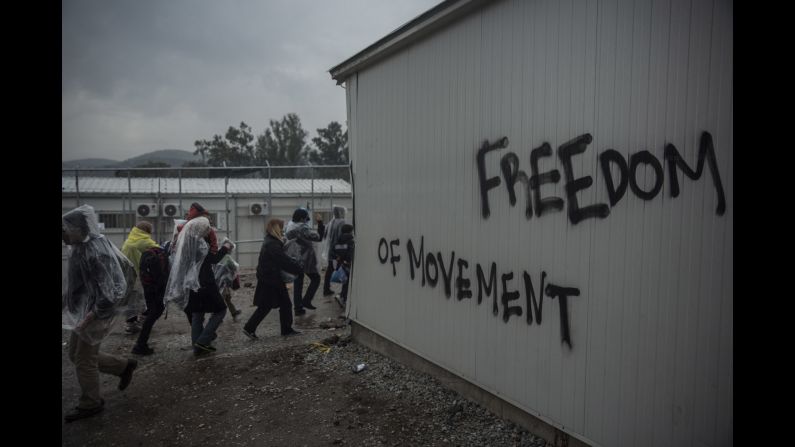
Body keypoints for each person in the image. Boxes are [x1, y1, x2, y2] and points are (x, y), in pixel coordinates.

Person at [62, 205, 141, 422]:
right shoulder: (79, 248)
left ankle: (91, 402)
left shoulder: (96, 250)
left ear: (79, 229)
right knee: (75, 355)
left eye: (65, 230)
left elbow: (112, 288)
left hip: (96, 313)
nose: (63, 235)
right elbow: (78, 284)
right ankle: (124, 366)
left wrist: (92, 315)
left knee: (83, 359)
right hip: (84, 311)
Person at [164, 216, 233, 356]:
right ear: (201, 229)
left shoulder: (183, 243)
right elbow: (212, 259)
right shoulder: (199, 242)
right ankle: (203, 341)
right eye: (207, 228)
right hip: (204, 282)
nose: (209, 230)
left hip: (190, 284)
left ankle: (197, 347)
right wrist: (225, 248)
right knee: (220, 310)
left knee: (197, 313)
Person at [242, 218, 303, 339]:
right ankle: (285, 330)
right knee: (284, 304)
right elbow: (282, 260)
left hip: (268, 277)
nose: (283, 230)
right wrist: (297, 268)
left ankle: (250, 328)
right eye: (281, 227)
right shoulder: (273, 243)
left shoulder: (270, 241)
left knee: (266, 305)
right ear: (276, 229)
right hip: (272, 279)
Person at [120, 221, 159, 334]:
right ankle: (143, 322)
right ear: (147, 231)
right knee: (147, 299)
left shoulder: (129, 240)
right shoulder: (144, 241)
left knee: (132, 300)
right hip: (139, 276)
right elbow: (159, 251)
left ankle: (131, 324)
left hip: (127, 276)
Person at [131, 242, 170, 355]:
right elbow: (161, 277)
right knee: (153, 314)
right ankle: (140, 345)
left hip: (148, 288)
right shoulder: (161, 255)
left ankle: (141, 344)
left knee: (153, 314)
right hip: (157, 290)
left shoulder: (147, 253)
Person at [284, 208, 322, 315]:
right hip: (306, 258)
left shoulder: (289, 225)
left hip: (293, 257)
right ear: (302, 218)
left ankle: (298, 308)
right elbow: (317, 237)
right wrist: (320, 224)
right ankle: (306, 300)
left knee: (298, 282)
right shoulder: (302, 227)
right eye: (306, 217)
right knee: (316, 278)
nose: (307, 219)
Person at [322, 206, 347, 296]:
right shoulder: (342, 222)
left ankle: (326, 289)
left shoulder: (331, 222)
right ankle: (343, 293)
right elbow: (342, 237)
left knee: (329, 270)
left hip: (330, 251)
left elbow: (324, 236)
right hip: (339, 251)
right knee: (344, 270)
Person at [214, 253, 243, 321]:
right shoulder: (226, 257)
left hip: (218, 281)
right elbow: (234, 267)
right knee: (223, 299)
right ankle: (216, 317)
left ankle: (234, 312)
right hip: (223, 282)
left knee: (226, 298)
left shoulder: (217, 256)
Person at [332, 224, 355, 306]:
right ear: (350, 231)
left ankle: (342, 296)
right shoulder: (351, 241)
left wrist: (338, 258)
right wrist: (348, 260)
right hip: (349, 264)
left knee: (344, 281)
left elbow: (333, 251)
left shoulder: (338, 240)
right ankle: (344, 299)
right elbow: (350, 253)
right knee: (348, 282)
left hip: (341, 264)